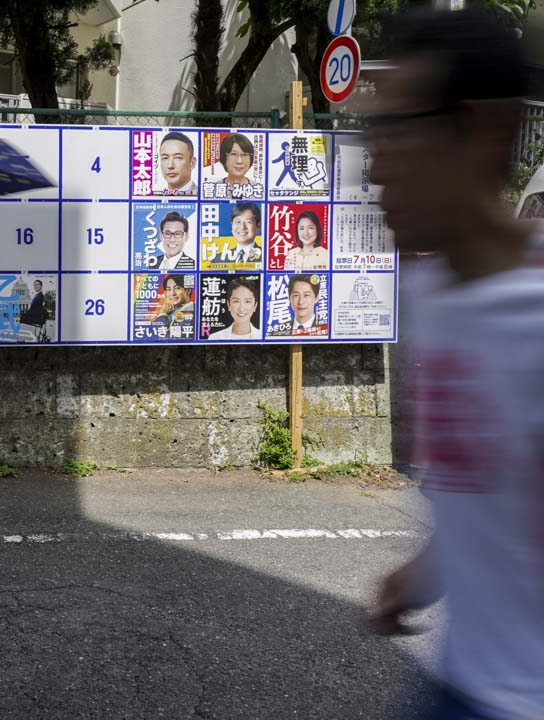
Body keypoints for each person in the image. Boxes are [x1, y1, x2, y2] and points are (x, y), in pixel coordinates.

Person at [364, 9, 544, 720]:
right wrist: (424, 574)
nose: (375, 164)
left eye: (396, 130)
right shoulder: (430, 290)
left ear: (479, 128)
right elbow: (481, 483)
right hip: (456, 684)